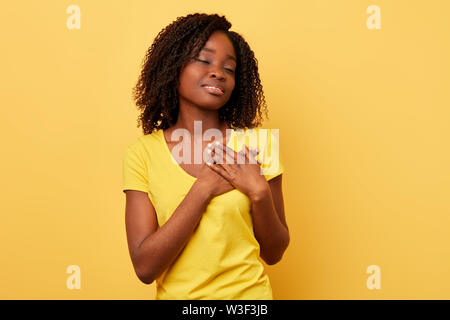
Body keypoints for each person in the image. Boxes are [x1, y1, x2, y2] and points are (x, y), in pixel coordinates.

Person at [122, 13, 289, 300]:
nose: (218, 72)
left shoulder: (259, 145)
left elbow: (274, 253)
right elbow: (145, 267)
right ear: (173, 67)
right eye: (204, 60)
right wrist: (204, 188)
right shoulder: (142, 154)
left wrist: (259, 191)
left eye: (229, 68)